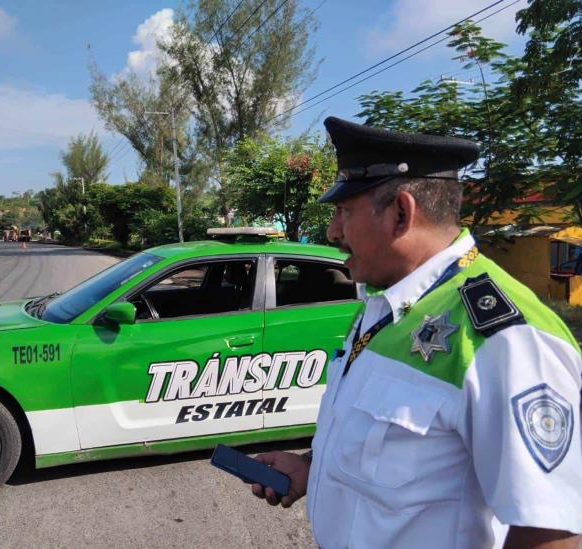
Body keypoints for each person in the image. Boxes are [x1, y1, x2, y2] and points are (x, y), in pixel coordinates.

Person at [249, 117, 582, 548]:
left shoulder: (506, 338)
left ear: (401, 214)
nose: (332, 232)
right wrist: (311, 467)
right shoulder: (385, 304)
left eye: (344, 212)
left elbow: (551, 529)